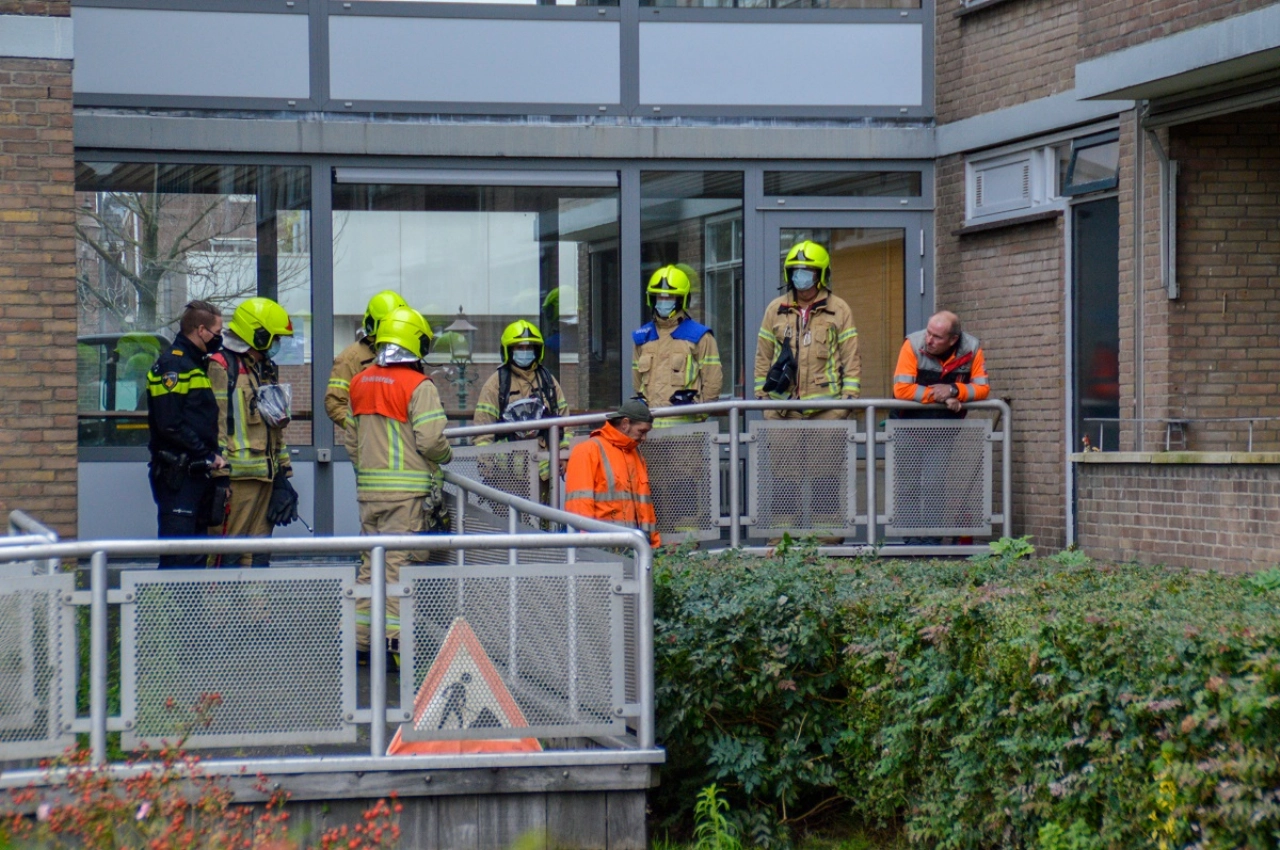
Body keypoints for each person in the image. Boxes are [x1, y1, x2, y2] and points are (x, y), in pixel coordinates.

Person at [349, 306, 452, 655]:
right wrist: (446, 458)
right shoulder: (418, 385)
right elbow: (431, 442)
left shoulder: (360, 381)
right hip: (406, 495)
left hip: (369, 494)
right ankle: (394, 649)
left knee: (369, 568)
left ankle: (360, 645)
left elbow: (352, 439)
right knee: (397, 571)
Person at [206, 297, 297, 567]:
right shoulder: (221, 366)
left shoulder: (263, 369)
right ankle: (220, 612)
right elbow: (216, 424)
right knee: (227, 557)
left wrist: (282, 474)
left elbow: (276, 427)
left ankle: (256, 612)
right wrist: (219, 478)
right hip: (236, 483)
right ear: (258, 335)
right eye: (274, 337)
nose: (276, 344)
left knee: (257, 559)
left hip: (265, 482)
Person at [146, 300, 227, 568]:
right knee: (179, 558)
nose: (220, 338)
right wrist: (206, 453)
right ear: (201, 330)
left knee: (195, 555)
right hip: (177, 475)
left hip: (194, 473)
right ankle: (174, 611)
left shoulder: (194, 363)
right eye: (217, 332)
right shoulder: (174, 366)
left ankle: (191, 611)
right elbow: (169, 423)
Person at [754, 240, 861, 420]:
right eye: (796, 271)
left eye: (807, 271)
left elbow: (852, 358)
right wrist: (764, 401)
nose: (800, 276)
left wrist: (846, 404)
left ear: (820, 274)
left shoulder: (839, 310)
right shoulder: (775, 309)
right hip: (782, 411)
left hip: (827, 412)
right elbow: (762, 356)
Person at [472, 320, 571, 497]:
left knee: (544, 522)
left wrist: (564, 454)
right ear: (508, 351)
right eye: (519, 348)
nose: (525, 353)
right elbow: (482, 430)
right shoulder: (496, 384)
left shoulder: (548, 382)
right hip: (506, 474)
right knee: (510, 523)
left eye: (529, 348)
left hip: (544, 473)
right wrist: (486, 466)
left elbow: (564, 423)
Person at [632, 265, 722, 427]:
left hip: (686, 432)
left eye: (669, 298)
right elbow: (637, 384)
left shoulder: (699, 336)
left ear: (681, 300)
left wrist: (699, 414)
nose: (663, 302)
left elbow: (712, 383)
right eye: (659, 297)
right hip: (650, 432)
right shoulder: (642, 337)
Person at [564, 399, 661, 549]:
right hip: (602, 548)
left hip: (633, 546)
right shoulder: (587, 451)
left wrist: (653, 547)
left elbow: (645, 508)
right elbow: (579, 507)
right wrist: (586, 549)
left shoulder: (635, 454)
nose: (644, 438)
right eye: (641, 431)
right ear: (625, 423)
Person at [325, 290, 408, 449]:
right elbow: (335, 403)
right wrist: (361, 428)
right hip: (369, 445)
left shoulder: (404, 354)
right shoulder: (351, 357)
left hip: (403, 442)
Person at [892, 310, 989, 417]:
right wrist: (943, 397)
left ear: (953, 340)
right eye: (928, 332)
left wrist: (953, 390)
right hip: (905, 426)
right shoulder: (912, 345)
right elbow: (901, 389)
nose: (929, 340)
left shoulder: (971, 349)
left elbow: (982, 388)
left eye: (937, 337)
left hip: (948, 427)